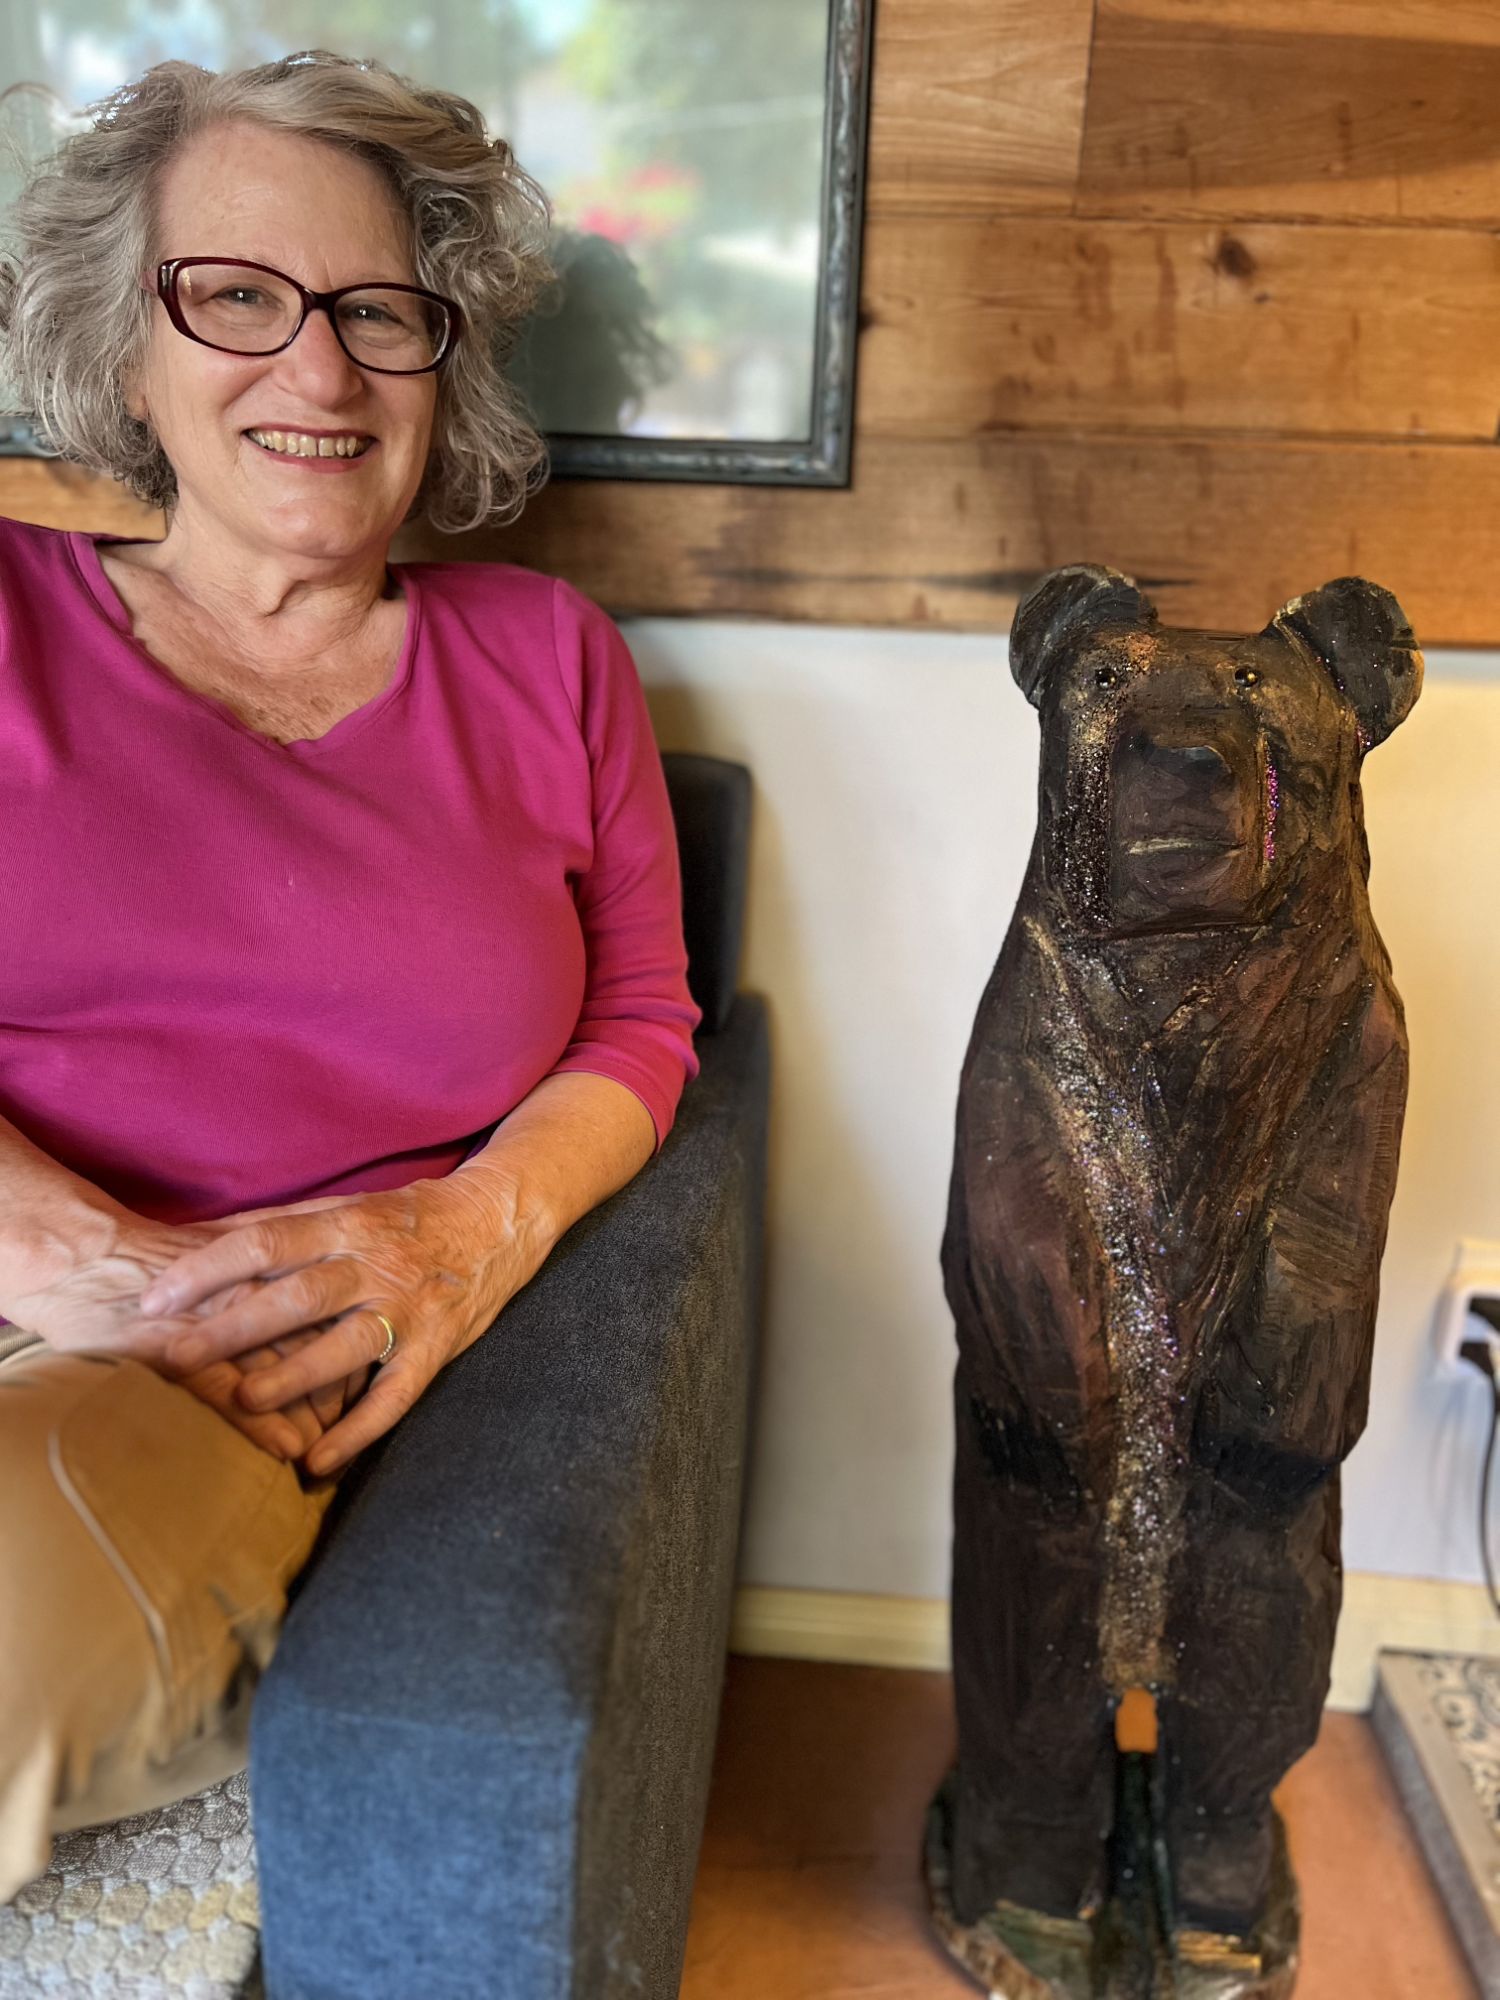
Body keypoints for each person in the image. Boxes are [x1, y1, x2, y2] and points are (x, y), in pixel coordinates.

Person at [0, 49, 700, 1904]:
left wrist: (468, 1233)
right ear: (123, 348)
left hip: (201, 1382)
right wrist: (73, 1255)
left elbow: (643, 1021)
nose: (317, 373)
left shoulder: (550, 660)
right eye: (234, 297)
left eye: (377, 313)